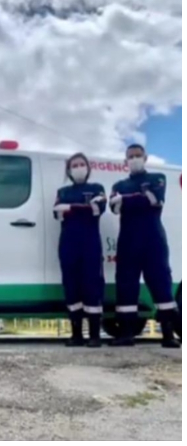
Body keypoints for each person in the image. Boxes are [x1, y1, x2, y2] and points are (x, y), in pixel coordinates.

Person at [109, 144, 180, 348]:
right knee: (126, 286)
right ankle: (125, 333)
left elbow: (155, 200)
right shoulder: (119, 184)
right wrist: (139, 197)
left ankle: (168, 334)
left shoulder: (157, 178)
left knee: (161, 285)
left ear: (145, 157)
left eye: (138, 155)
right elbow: (114, 207)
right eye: (130, 156)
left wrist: (125, 199)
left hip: (153, 240)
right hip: (128, 241)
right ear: (125, 161)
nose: (134, 159)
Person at [53, 153, 106, 348]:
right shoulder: (62, 191)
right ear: (69, 170)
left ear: (88, 167)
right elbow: (56, 212)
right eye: (74, 165)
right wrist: (83, 207)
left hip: (90, 244)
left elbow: (97, 209)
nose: (78, 167)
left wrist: (70, 208)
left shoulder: (97, 189)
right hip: (68, 244)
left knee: (92, 286)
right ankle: (76, 334)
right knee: (71, 286)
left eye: (81, 164)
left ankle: (94, 335)